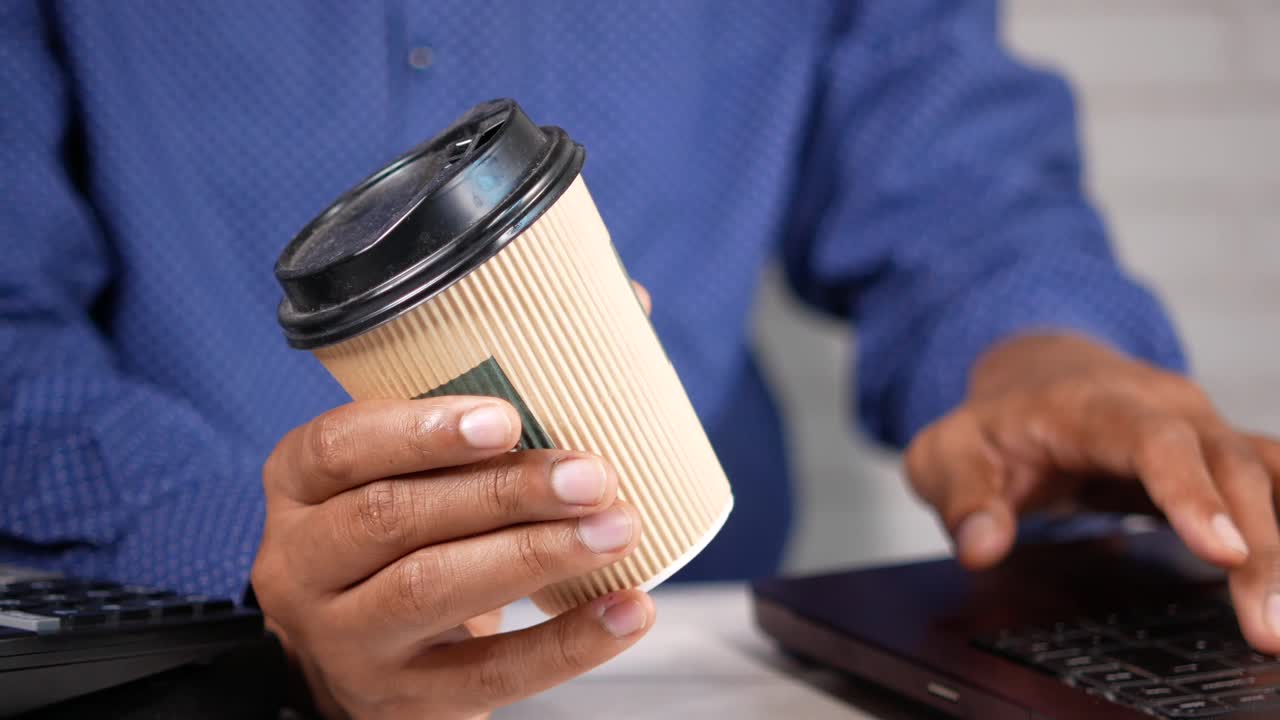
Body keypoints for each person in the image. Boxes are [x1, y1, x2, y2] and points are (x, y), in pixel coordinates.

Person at [2, 0, 1278, 717]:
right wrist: (249, 568)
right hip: (197, 676)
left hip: (678, 664)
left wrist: (1044, 360)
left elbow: (955, 178)